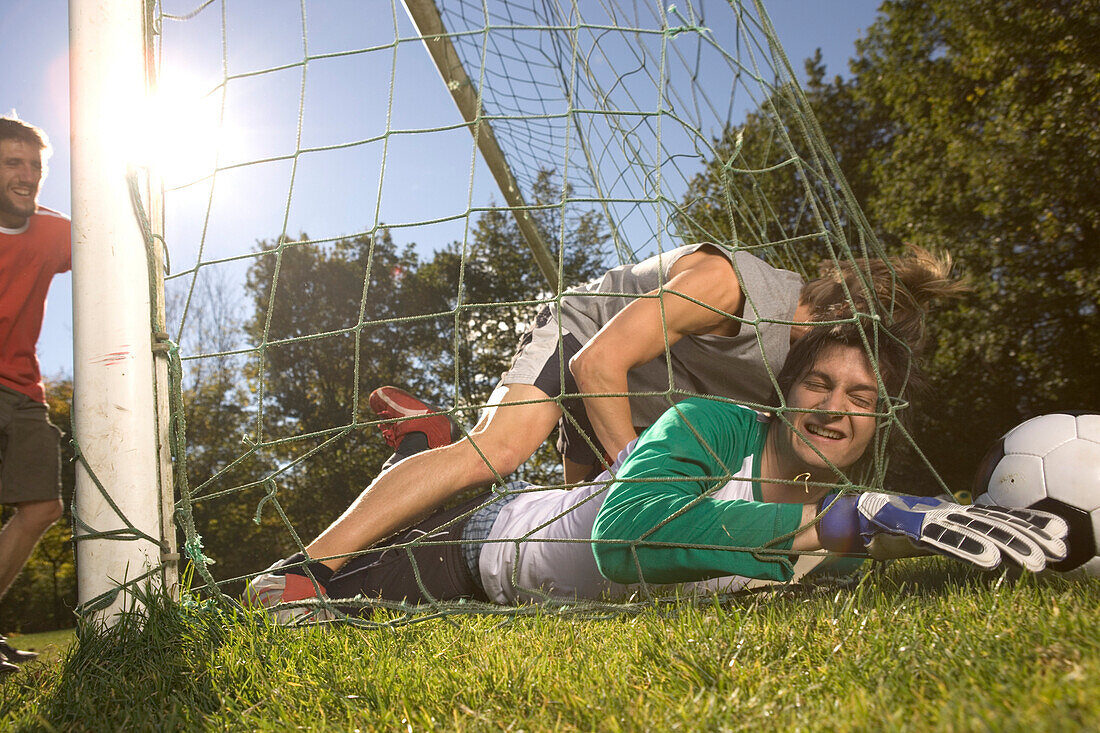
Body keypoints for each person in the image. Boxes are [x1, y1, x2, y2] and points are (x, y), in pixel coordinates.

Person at [288, 241, 966, 605]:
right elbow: (599, 357)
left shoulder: (804, 368)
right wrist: (627, 466)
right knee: (499, 450)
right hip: (587, 344)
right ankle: (305, 569)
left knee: (557, 538)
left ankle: (416, 442)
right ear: (836, 313)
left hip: (642, 397)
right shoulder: (734, 286)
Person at [246, 324, 1064, 623]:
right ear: (784, 395)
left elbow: (882, 534)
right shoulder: (710, 423)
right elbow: (625, 539)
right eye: (819, 384)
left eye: (860, 398)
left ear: (878, 422)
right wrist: (842, 524)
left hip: (525, 569)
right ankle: (420, 443)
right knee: (286, 609)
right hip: (479, 550)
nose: (834, 409)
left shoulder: (845, 523)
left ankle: (424, 438)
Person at [0, 116, 71, 673]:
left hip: (22, 389)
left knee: (43, 506)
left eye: (35, 167)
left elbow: (123, 244)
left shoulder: (55, 232)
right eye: (12, 164)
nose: (27, 177)